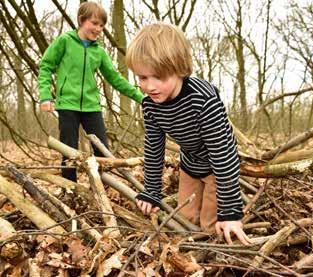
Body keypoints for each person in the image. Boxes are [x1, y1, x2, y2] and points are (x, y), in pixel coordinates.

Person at [125, 22, 250, 245]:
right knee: (186, 220)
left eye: (158, 77)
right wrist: (152, 192)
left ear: (179, 68)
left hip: (216, 169)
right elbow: (154, 149)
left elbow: (224, 153)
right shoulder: (151, 105)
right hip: (190, 166)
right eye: (143, 78)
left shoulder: (203, 100)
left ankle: (219, 254)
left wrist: (230, 212)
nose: (150, 86)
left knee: (212, 226)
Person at [38, 2, 144, 182]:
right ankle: (70, 189)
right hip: (67, 105)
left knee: (102, 149)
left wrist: (140, 97)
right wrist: (45, 95)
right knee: (69, 149)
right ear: (81, 20)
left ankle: (104, 187)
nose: (98, 29)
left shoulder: (99, 52)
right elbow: (46, 66)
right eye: (94, 23)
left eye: (102, 25)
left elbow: (115, 78)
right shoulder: (65, 41)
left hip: (91, 106)